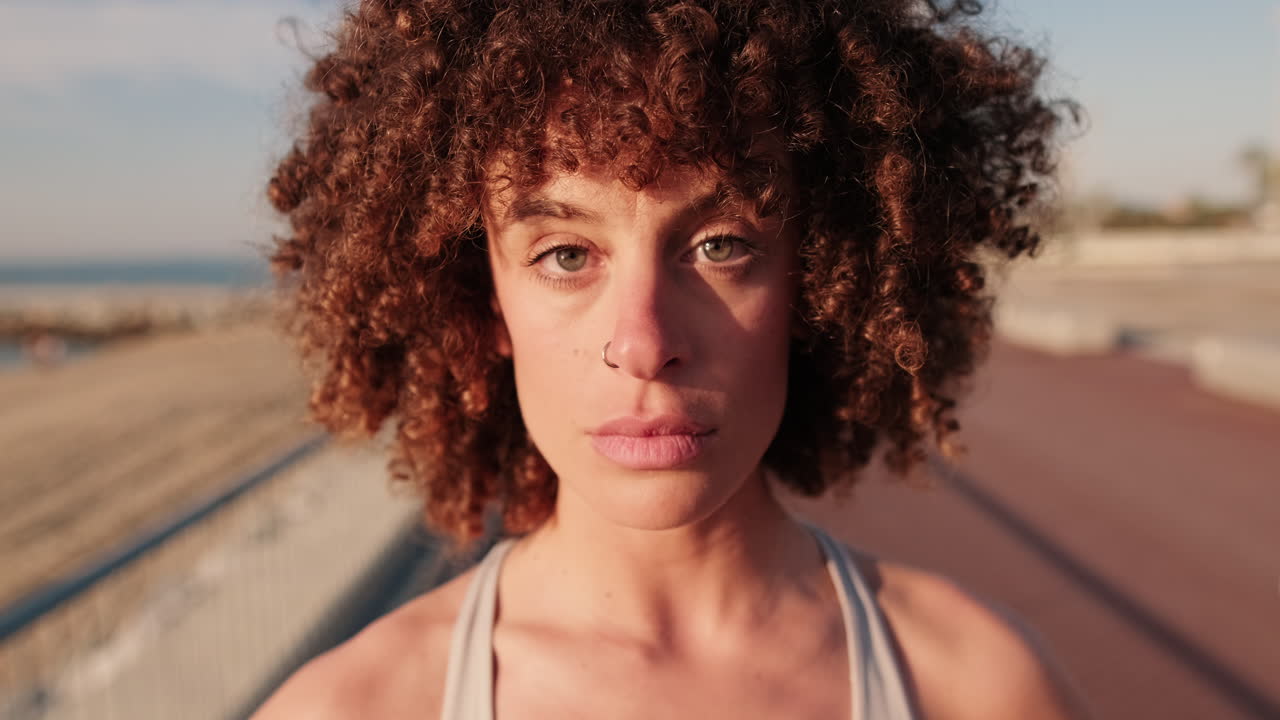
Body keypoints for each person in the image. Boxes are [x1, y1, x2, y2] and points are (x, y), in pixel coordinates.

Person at [255, 0, 1090, 717]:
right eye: (565, 255)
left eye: (721, 244)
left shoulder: (979, 690)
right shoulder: (350, 708)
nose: (645, 344)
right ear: (483, 301)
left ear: (824, 274)